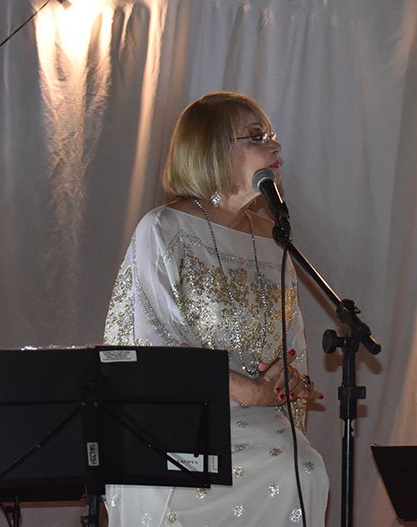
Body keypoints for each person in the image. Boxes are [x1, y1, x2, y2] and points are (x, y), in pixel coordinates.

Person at [102, 92, 329, 526]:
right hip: (181, 417)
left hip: (259, 420)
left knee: (305, 470)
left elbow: (288, 340)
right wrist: (248, 390)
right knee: (285, 470)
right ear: (211, 149)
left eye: (272, 136)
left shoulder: (273, 239)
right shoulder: (163, 228)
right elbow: (152, 347)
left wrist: (287, 377)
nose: (275, 146)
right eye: (257, 136)